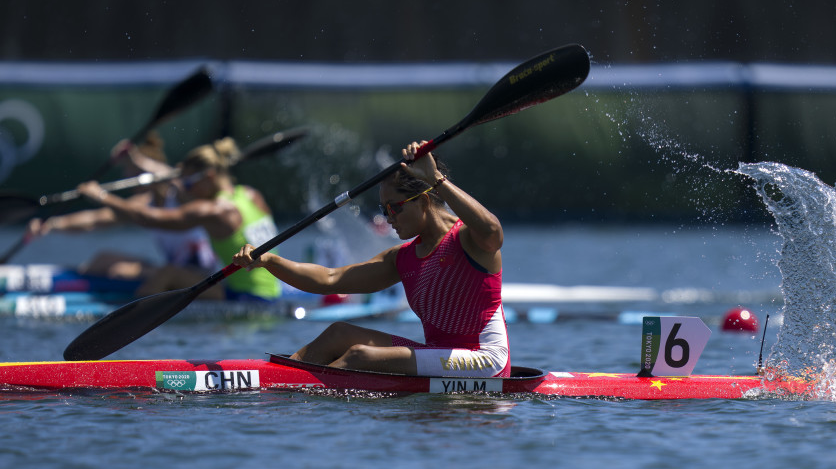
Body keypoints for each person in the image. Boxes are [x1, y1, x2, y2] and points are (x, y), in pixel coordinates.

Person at [232, 140, 510, 377]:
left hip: (485, 360)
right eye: (384, 209)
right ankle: (280, 379)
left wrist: (436, 178)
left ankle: (295, 394)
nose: (388, 219)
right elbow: (330, 279)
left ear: (424, 202)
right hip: (439, 355)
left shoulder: (468, 239)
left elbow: (493, 231)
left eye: (394, 209)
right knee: (338, 333)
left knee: (361, 356)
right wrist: (269, 261)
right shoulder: (402, 258)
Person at [75, 137, 281, 301]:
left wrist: (101, 196)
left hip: (247, 298)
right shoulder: (251, 195)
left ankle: (133, 324)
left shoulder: (214, 210)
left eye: (189, 185)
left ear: (209, 177)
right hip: (273, 292)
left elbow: (150, 219)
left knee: (168, 274)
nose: (186, 191)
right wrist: (138, 161)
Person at [26, 133, 217, 289]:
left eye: (132, 171)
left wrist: (136, 159)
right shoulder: (142, 204)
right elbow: (96, 219)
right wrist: (50, 225)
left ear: (147, 173)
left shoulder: (183, 195)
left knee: (123, 271)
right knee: (102, 260)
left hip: (201, 278)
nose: (126, 176)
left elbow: (171, 176)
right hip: (171, 272)